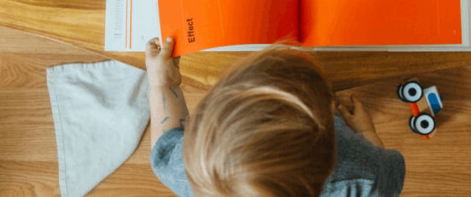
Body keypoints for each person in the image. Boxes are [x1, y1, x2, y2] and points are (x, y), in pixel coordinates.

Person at [146, 37, 405, 196]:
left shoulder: (192, 174)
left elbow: (165, 146)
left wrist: (162, 84)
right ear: (328, 155)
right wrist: (365, 134)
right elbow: (386, 182)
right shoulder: (362, 177)